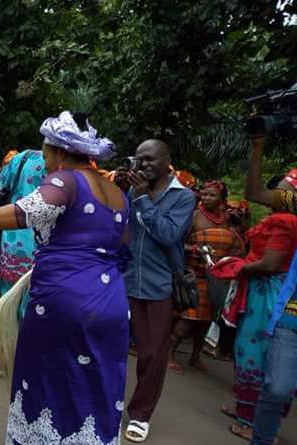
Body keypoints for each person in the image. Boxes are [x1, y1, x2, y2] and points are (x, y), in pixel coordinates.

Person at [0, 111, 128, 444]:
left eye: (45, 155)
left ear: (59, 152)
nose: (44, 164)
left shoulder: (67, 180)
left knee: (48, 383)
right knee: (93, 385)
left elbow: (25, 211)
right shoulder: (116, 193)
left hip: (64, 301)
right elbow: (122, 247)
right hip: (112, 304)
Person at [118, 139, 196, 443]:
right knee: (111, 347)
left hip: (158, 285)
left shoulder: (183, 197)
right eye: (139, 159)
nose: (143, 165)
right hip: (123, 280)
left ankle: (140, 414)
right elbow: (121, 228)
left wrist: (143, 199)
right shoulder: (132, 190)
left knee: (151, 355)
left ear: (167, 161)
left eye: (150, 160)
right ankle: (108, 400)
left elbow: (169, 234)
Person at [235, 136, 297, 445]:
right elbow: (255, 193)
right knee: (275, 380)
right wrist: (257, 148)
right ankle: (258, 428)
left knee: (271, 372)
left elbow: (271, 263)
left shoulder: (287, 220)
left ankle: (256, 422)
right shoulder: (291, 206)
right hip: (289, 307)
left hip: (275, 294)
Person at [169, 180, 244, 374]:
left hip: (217, 278)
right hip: (194, 275)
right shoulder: (193, 217)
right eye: (205, 194)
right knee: (188, 319)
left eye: (212, 195)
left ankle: (195, 357)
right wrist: (194, 249)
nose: (206, 198)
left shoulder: (228, 219)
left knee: (206, 321)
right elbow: (177, 243)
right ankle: (169, 354)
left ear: (222, 199)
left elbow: (237, 244)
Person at [0, 148, 45, 293]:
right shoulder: (65, 167)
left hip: (12, 227)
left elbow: (3, 183)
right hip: (41, 235)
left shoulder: (21, 157)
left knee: (9, 289)